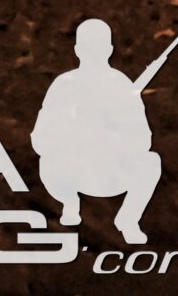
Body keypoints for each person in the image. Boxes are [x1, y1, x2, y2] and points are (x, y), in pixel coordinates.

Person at [31, 19, 164, 245]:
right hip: (71, 173)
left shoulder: (122, 86)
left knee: (151, 162)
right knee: (47, 161)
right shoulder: (64, 85)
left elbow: (143, 141)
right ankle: (69, 203)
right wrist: (74, 131)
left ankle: (128, 220)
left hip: (110, 174)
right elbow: (40, 140)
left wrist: (111, 131)